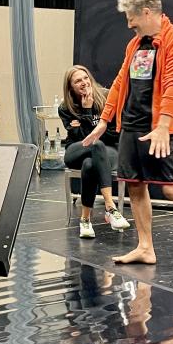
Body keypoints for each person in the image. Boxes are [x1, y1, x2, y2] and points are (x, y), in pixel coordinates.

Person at [82, 0, 173, 264]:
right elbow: (120, 82)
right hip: (131, 123)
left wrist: (164, 125)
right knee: (135, 185)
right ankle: (145, 247)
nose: (129, 25)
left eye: (132, 19)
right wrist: (104, 120)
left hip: (159, 126)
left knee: (171, 188)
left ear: (146, 12)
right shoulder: (135, 44)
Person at [59, 65, 130, 238]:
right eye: (78, 81)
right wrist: (87, 111)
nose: (84, 83)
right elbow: (80, 138)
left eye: (85, 78)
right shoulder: (65, 108)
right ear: (71, 87)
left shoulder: (106, 97)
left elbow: (114, 133)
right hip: (76, 150)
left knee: (90, 162)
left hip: (109, 149)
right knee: (95, 145)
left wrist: (86, 125)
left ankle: (85, 220)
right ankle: (110, 208)